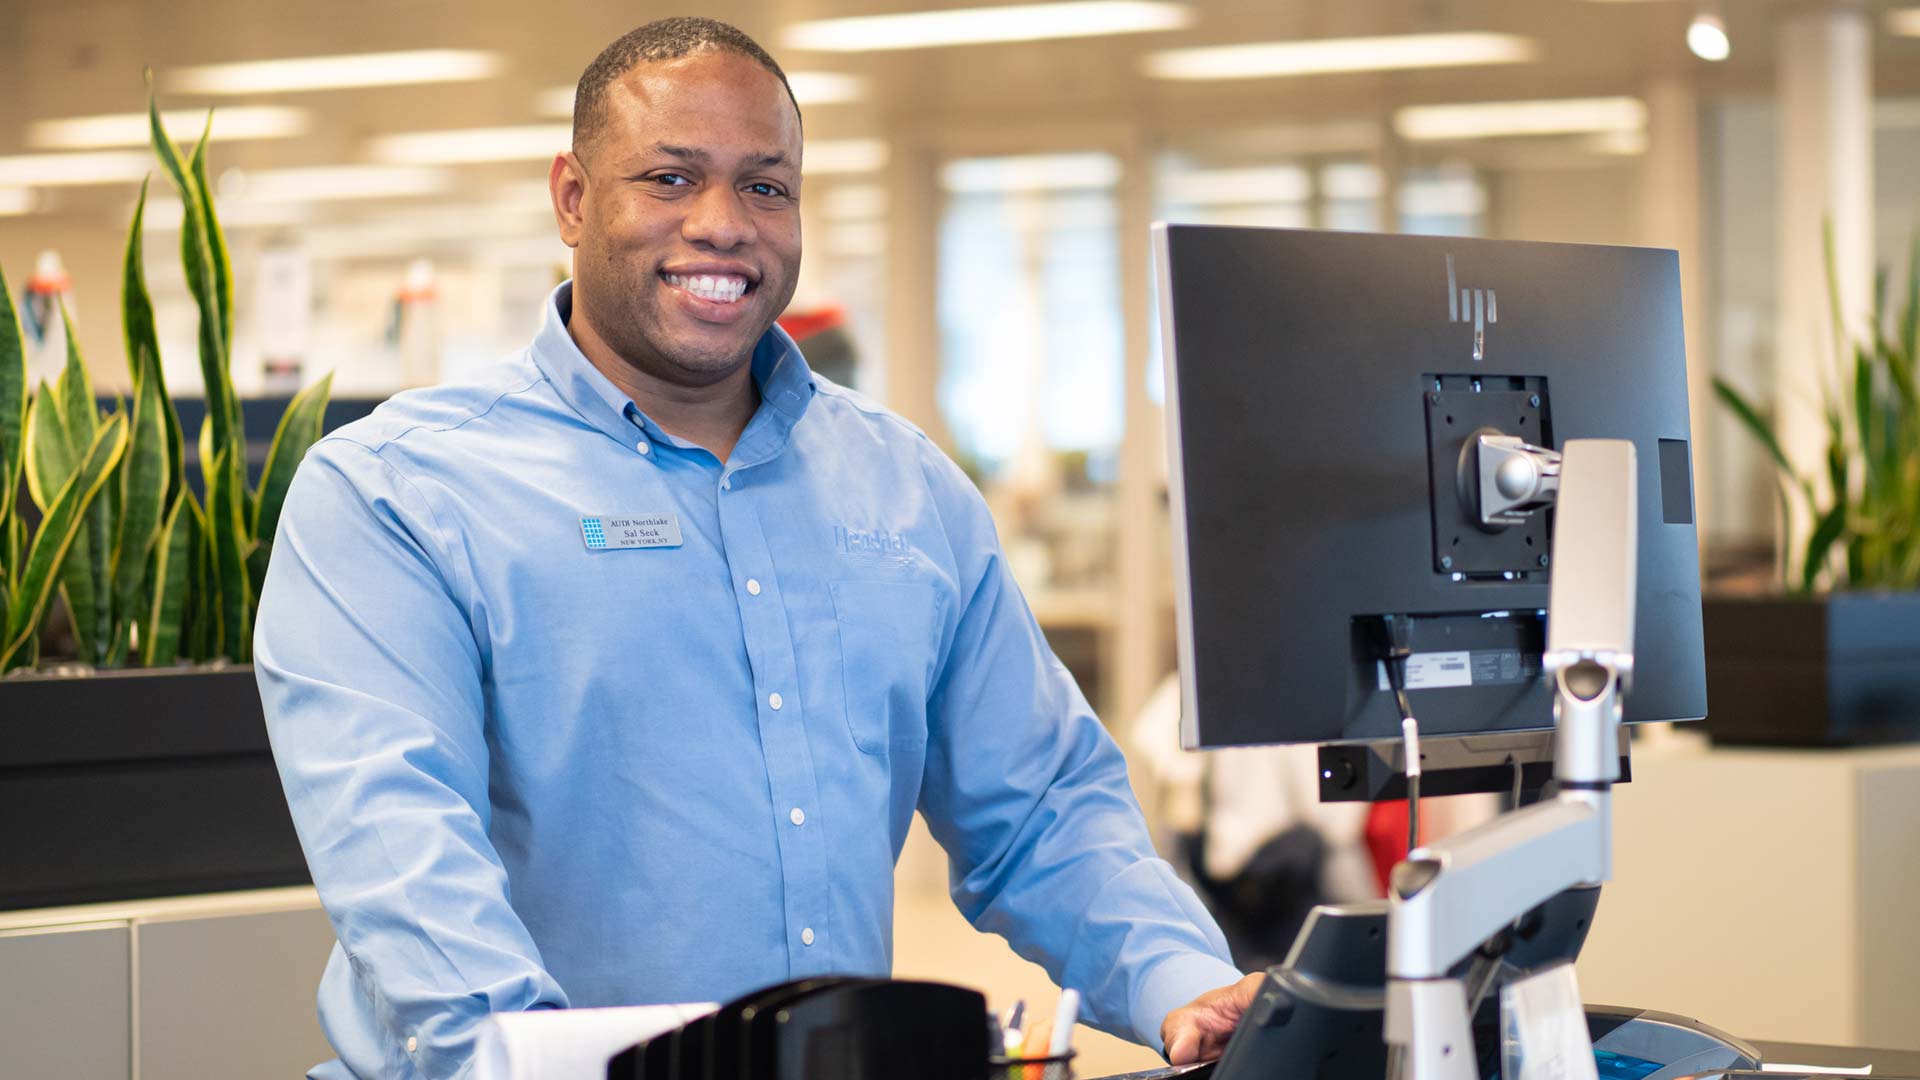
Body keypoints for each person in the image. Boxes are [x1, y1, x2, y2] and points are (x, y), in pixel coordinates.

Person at [256, 17, 1258, 1079]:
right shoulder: (397, 491)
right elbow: (407, 866)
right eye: (671, 178)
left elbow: (1043, 810)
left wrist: (1183, 985)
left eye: (766, 187)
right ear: (572, 196)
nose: (724, 225)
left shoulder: (906, 489)